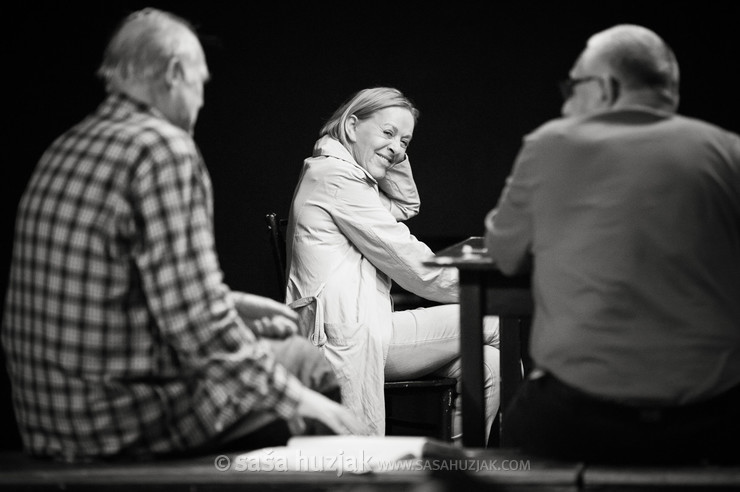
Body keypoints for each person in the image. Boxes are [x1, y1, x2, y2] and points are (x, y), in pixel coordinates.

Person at [1, 8, 362, 463]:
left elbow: (106, 293)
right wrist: (302, 402)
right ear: (174, 73)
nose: (200, 102)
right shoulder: (162, 148)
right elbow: (198, 327)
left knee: (271, 357)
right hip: (118, 422)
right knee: (308, 365)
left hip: (47, 416)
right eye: (199, 84)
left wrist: (233, 305)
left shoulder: (67, 145)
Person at [484, 24, 740, 464]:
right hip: (714, 417)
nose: (566, 101)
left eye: (573, 86)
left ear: (603, 87)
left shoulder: (550, 144)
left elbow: (504, 255)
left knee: (509, 426)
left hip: (581, 416)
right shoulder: (729, 151)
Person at [285, 87, 500, 440]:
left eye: (406, 142)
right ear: (352, 127)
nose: (399, 148)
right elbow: (411, 263)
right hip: (344, 336)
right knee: (493, 320)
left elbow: (403, 206)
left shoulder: (342, 177)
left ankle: (456, 469)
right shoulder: (337, 179)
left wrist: (391, 150)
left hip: (366, 327)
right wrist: (485, 289)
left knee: (488, 366)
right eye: (388, 132)